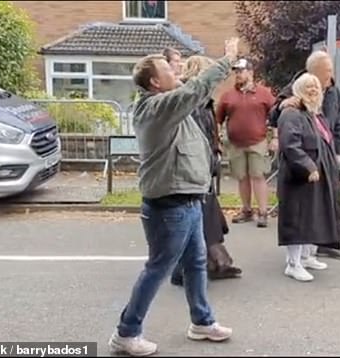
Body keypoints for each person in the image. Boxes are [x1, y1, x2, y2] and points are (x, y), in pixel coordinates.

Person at [108, 38, 240, 357]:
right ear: (155, 81)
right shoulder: (156, 108)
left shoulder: (169, 105)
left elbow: (197, 96)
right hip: (170, 205)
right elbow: (193, 91)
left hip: (189, 199)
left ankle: (202, 322)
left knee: (196, 262)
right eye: (169, 67)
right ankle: (126, 333)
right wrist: (227, 59)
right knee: (158, 268)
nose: (176, 68)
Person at [170, 55, 243, 287]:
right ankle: (187, 269)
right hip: (193, 173)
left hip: (201, 171)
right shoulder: (194, 105)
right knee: (198, 222)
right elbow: (195, 140)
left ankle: (216, 262)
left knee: (207, 219)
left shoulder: (203, 103)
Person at [269, 50, 340, 260]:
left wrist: (338, 150)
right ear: (313, 71)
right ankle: (297, 258)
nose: (330, 75)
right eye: (327, 71)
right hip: (306, 157)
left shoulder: (333, 91)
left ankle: (320, 245)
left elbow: (339, 122)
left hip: (326, 153)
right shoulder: (296, 91)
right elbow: (276, 115)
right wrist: (281, 106)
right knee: (303, 207)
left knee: (323, 204)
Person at [276, 73, 340, 282]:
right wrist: (308, 166)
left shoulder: (315, 114)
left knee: (312, 217)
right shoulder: (291, 113)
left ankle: (306, 257)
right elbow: (290, 145)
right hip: (299, 177)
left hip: (317, 175)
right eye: (308, 86)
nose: (313, 90)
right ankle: (293, 264)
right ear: (297, 90)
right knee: (297, 219)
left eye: (315, 86)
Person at [215, 58, 276, 228]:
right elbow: (217, 119)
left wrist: (276, 138)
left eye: (241, 71)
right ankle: (247, 209)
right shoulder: (228, 96)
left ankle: (263, 212)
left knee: (258, 175)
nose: (238, 75)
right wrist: (217, 138)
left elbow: (275, 115)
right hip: (235, 143)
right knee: (242, 177)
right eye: (236, 72)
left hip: (258, 141)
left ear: (250, 72)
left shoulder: (264, 93)